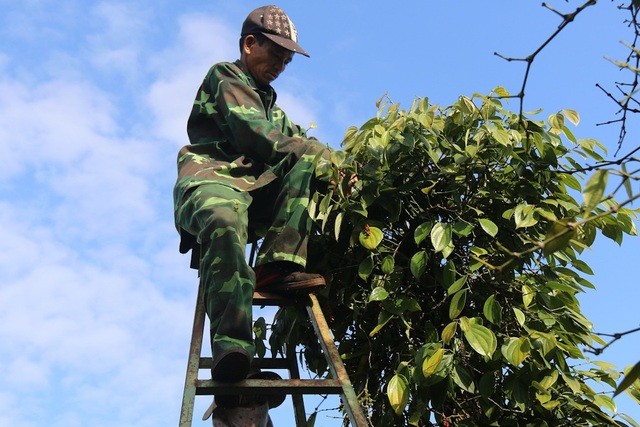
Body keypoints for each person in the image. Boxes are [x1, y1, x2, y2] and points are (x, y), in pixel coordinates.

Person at [173, 4, 331, 410]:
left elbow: (300, 148)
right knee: (224, 220)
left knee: (309, 160)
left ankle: (279, 265)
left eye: (287, 58)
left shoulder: (273, 109)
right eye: (276, 53)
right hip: (214, 182)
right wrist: (322, 155)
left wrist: (348, 171)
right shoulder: (226, 77)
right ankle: (232, 349)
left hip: (253, 192)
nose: (281, 63)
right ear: (249, 44)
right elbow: (255, 136)